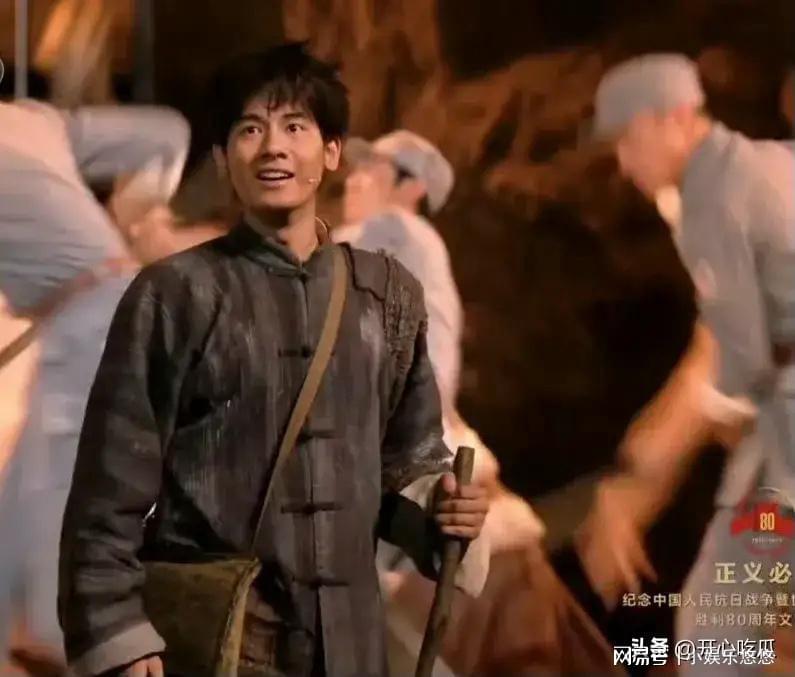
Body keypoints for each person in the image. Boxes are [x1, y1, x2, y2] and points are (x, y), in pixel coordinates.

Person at [58, 43, 489, 677]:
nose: (273, 148)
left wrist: (443, 512)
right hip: (222, 649)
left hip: (352, 651)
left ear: (332, 151)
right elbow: (108, 489)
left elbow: (409, 459)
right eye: (250, 130)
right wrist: (119, 634)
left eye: (295, 127)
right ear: (221, 158)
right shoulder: (175, 294)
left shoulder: (386, 296)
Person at [593, 53, 795, 673]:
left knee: (714, 632)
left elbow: (733, 369)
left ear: (676, 118)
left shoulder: (714, 197)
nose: (624, 163)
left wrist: (634, 485)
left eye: (629, 139)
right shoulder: (769, 165)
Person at [0, 96, 189, 673]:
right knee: (17, 519)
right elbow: (167, 131)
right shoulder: (33, 121)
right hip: (96, 313)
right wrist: (139, 211)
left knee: (52, 523)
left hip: (92, 325)